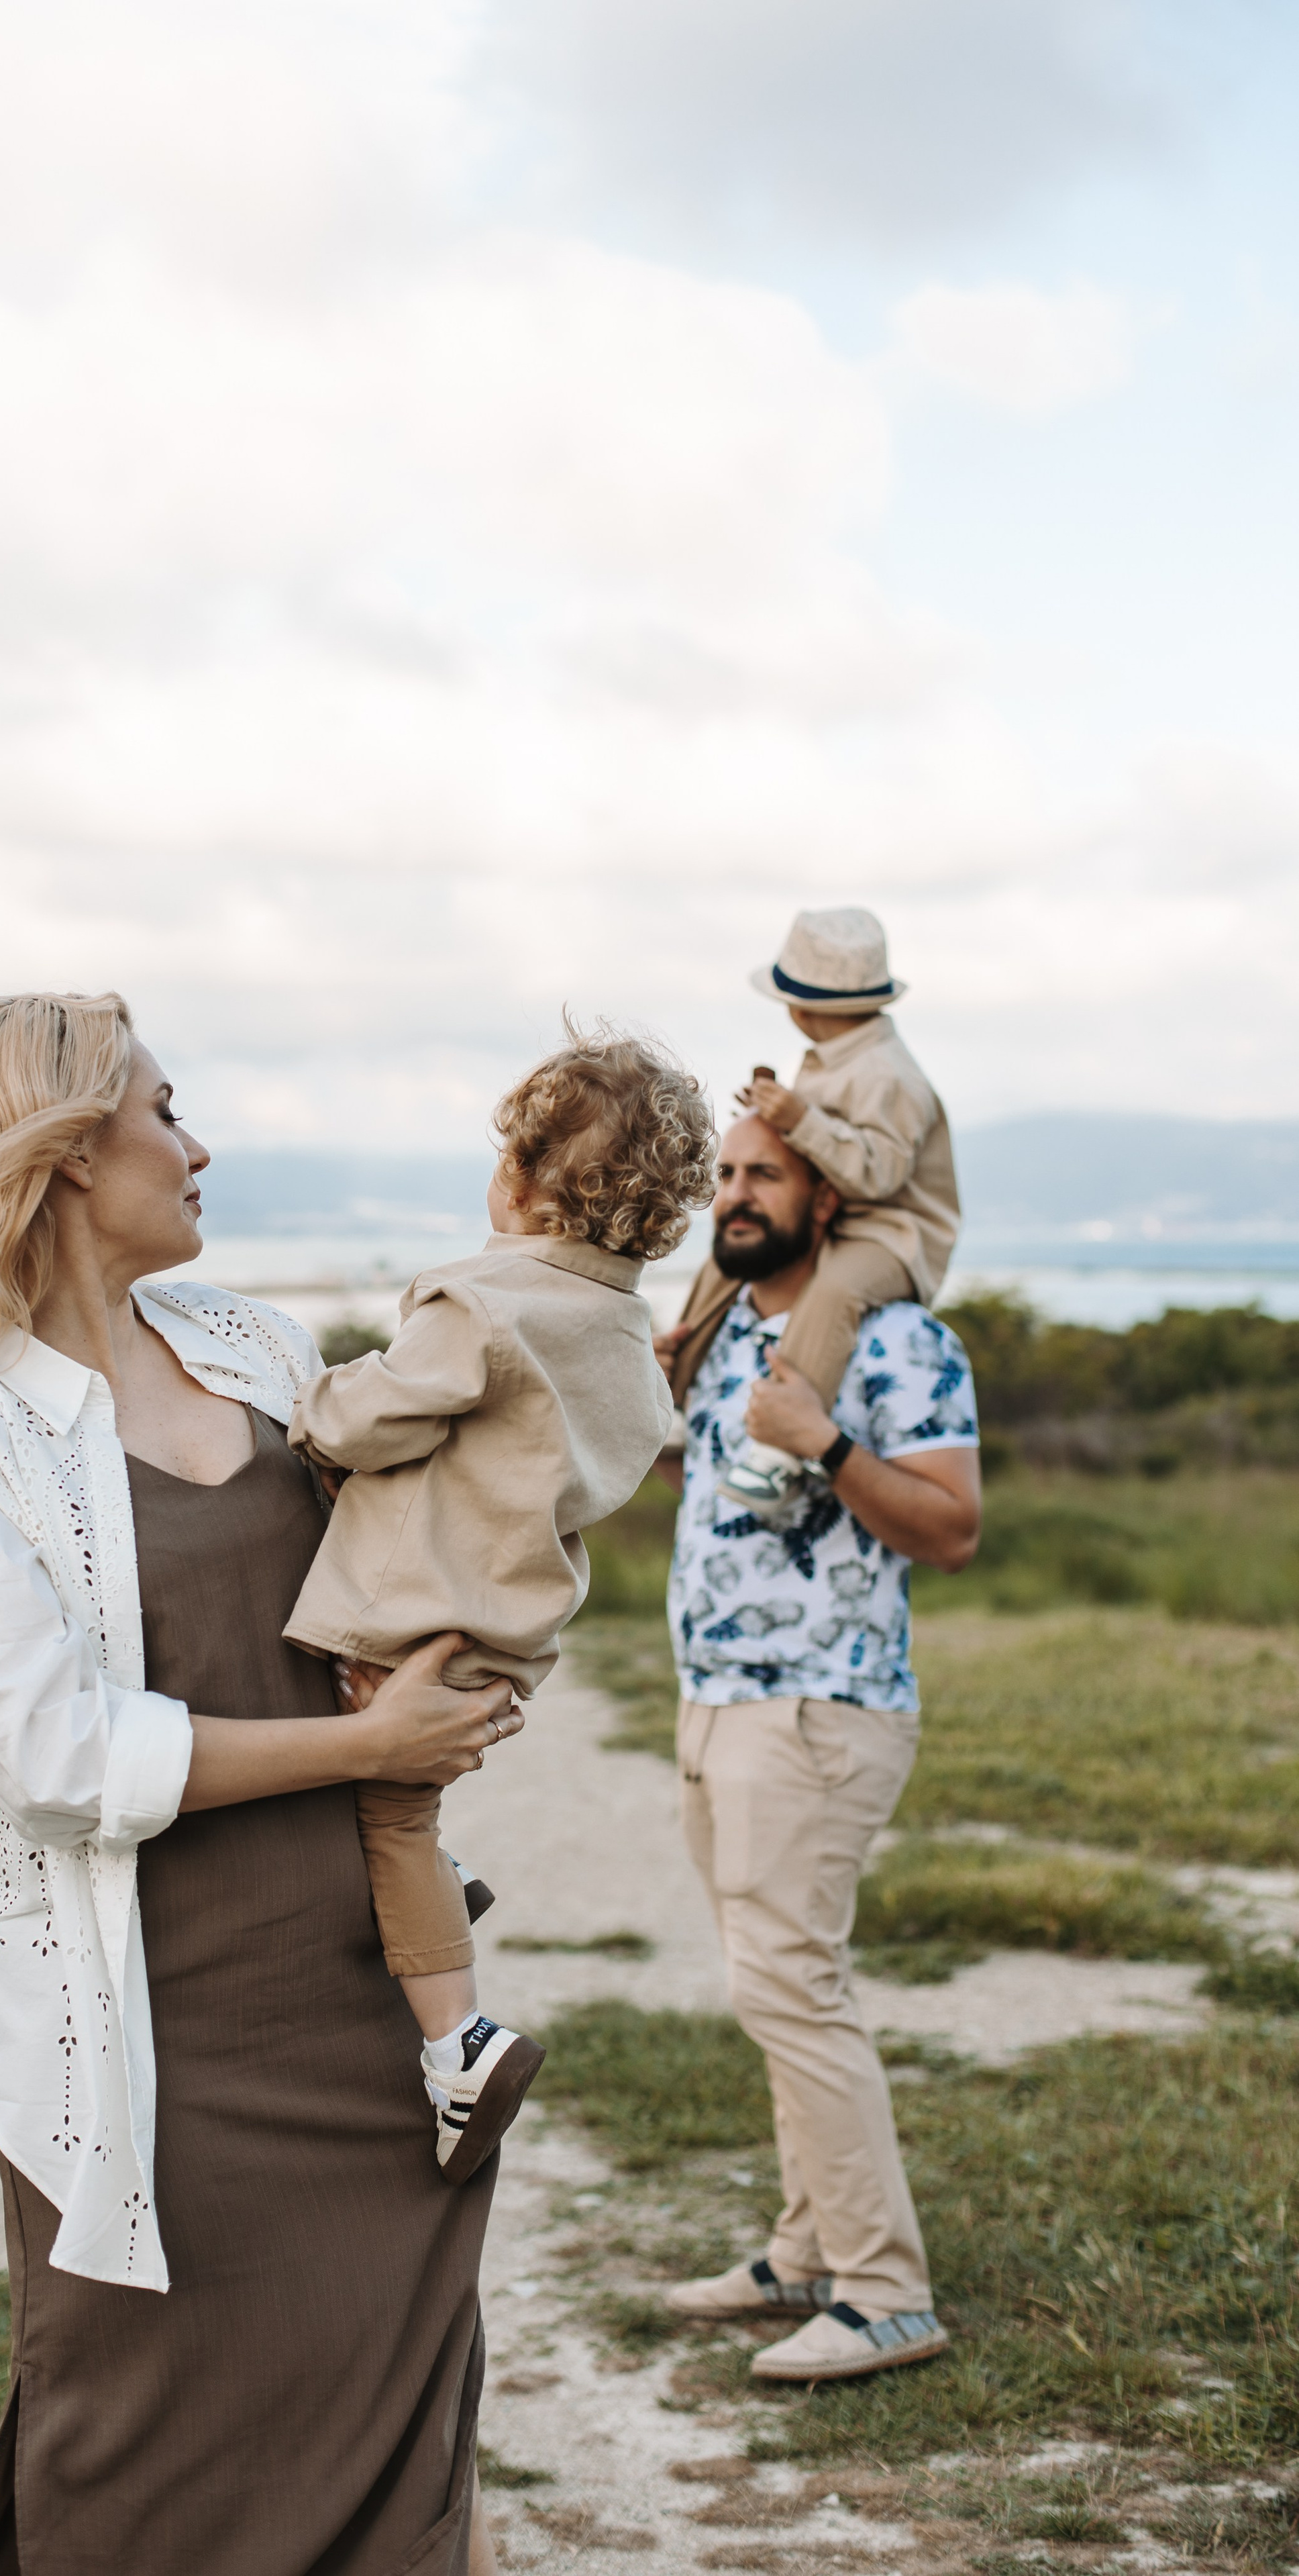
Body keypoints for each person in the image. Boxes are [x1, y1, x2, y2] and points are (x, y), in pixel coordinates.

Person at [0, 992, 523, 2576]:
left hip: (358, 1981)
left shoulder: (254, 1346)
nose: (199, 1146)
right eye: (165, 1112)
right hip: (144, 2023)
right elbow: (57, 1756)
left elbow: (373, 1580)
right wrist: (362, 1749)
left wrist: (447, 1663)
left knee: (390, 2394)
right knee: (146, 2438)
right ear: (56, 1155)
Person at [285, 1024, 713, 2182]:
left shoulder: (484, 1303)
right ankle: (439, 1888)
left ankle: (458, 2045)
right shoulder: (628, 1336)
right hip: (503, 1632)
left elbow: (368, 1415)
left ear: (519, 1180)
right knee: (409, 1819)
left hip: (406, 1615)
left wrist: (307, 1402)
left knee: (389, 1819)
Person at [654, 1109, 982, 2384]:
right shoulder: (729, 1328)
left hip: (818, 1706)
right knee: (767, 1988)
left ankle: (888, 2292)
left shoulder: (901, 1342)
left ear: (827, 1200)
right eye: (725, 1175)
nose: (734, 1194)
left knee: (793, 1986)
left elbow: (951, 1529)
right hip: (714, 1700)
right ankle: (805, 2250)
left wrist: (829, 1445)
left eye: (762, 1175)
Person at [700, 905, 959, 1516]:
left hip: (891, 1231)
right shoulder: (834, 1058)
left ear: (800, 1006)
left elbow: (880, 1176)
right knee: (727, 1260)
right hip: (837, 1215)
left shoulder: (887, 1075)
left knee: (837, 1291)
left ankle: (778, 1452)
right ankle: (678, 1395)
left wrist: (798, 1119)